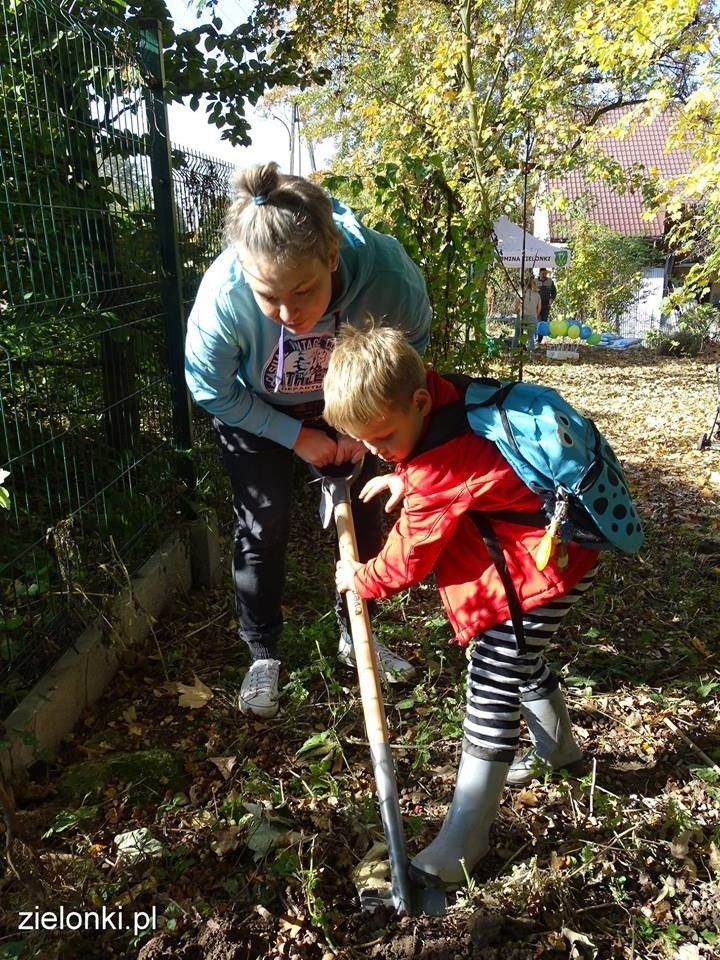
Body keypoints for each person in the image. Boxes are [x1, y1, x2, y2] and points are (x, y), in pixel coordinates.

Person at [325, 321, 599, 889]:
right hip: (558, 552)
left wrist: (359, 577)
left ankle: (466, 838)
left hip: (540, 572)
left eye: (384, 438)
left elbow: (407, 561)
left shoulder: (439, 460)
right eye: (370, 443)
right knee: (517, 659)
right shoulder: (445, 397)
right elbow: (462, 467)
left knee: (494, 678)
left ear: (419, 400)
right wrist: (405, 475)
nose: (379, 452)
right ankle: (562, 752)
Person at [185, 163, 431, 719]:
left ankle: (356, 632)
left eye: (304, 291)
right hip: (256, 412)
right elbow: (209, 389)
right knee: (263, 524)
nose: (290, 316)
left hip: (355, 401)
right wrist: (296, 436)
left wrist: (353, 427)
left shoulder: (387, 273)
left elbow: (412, 349)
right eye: (269, 297)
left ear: (333, 255)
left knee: (367, 516)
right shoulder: (223, 299)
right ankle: (263, 653)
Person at [513, 277, 541, 355]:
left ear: (525, 284)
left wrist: (517, 312)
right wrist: (535, 315)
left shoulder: (521, 293)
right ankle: (531, 354)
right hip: (533, 317)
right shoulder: (537, 294)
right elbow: (539, 308)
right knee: (530, 337)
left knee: (517, 335)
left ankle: (513, 352)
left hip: (522, 316)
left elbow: (516, 306)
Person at [537, 268, 557, 343]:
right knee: (538, 322)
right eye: (542, 274)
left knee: (543, 322)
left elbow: (554, 292)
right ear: (539, 273)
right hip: (536, 306)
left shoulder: (550, 281)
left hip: (546, 306)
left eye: (545, 274)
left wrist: (551, 299)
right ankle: (536, 339)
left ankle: (539, 340)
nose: (544, 275)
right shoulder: (535, 281)